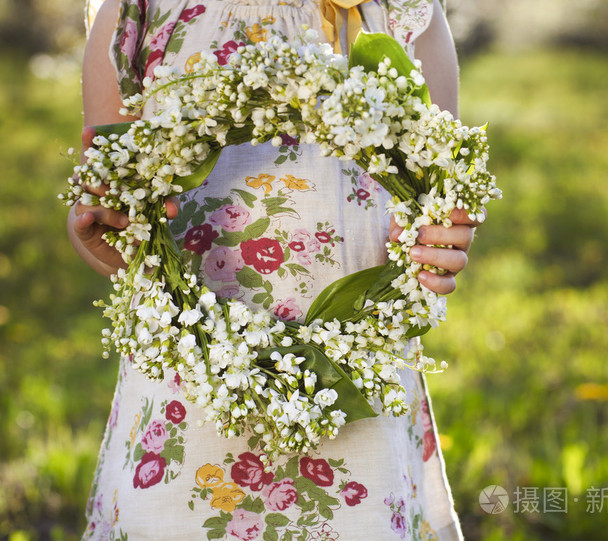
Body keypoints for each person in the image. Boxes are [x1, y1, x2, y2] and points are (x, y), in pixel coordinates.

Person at [68, 0, 481, 538]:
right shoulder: (140, 13)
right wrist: (106, 243)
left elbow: (437, 198)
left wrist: (438, 245)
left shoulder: (399, 13)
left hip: (354, 393)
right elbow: (110, 202)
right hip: (184, 396)